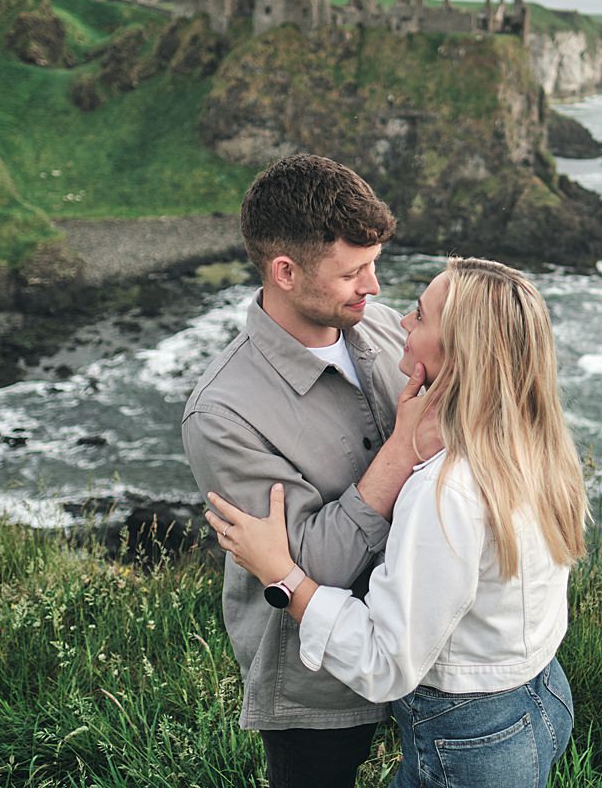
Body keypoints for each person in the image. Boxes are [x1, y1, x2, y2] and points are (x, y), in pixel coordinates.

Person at [207, 257, 589, 788]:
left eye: (419, 315)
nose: (400, 323)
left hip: (471, 740)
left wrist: (282, 575)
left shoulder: (448, 489)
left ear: (459, 353)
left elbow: (386, 662)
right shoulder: (534, 440)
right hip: (544, 697)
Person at [182, 154, 440, 788]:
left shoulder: (379, 328)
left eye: (374, 264)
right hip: (315, 681)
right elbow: (308, 568)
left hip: (420, 644)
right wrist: (403, 448)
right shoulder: (222, 414)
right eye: (353, 272)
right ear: (285, 271)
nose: (375, 287)